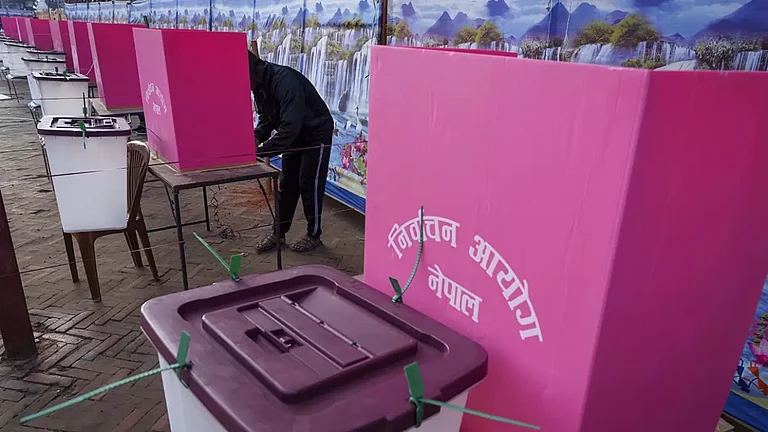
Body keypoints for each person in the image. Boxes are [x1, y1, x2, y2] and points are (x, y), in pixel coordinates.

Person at [249, 51, 335, 253]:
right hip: (294, 135)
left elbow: (290, 127)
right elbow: (267, 117)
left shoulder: (284, 81)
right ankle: (278, 234)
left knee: (309, 183)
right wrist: (257, 136)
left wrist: (260, 152)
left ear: (250, 73)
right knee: (287, 185)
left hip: (316, 133)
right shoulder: (259, 87)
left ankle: (314, 235)